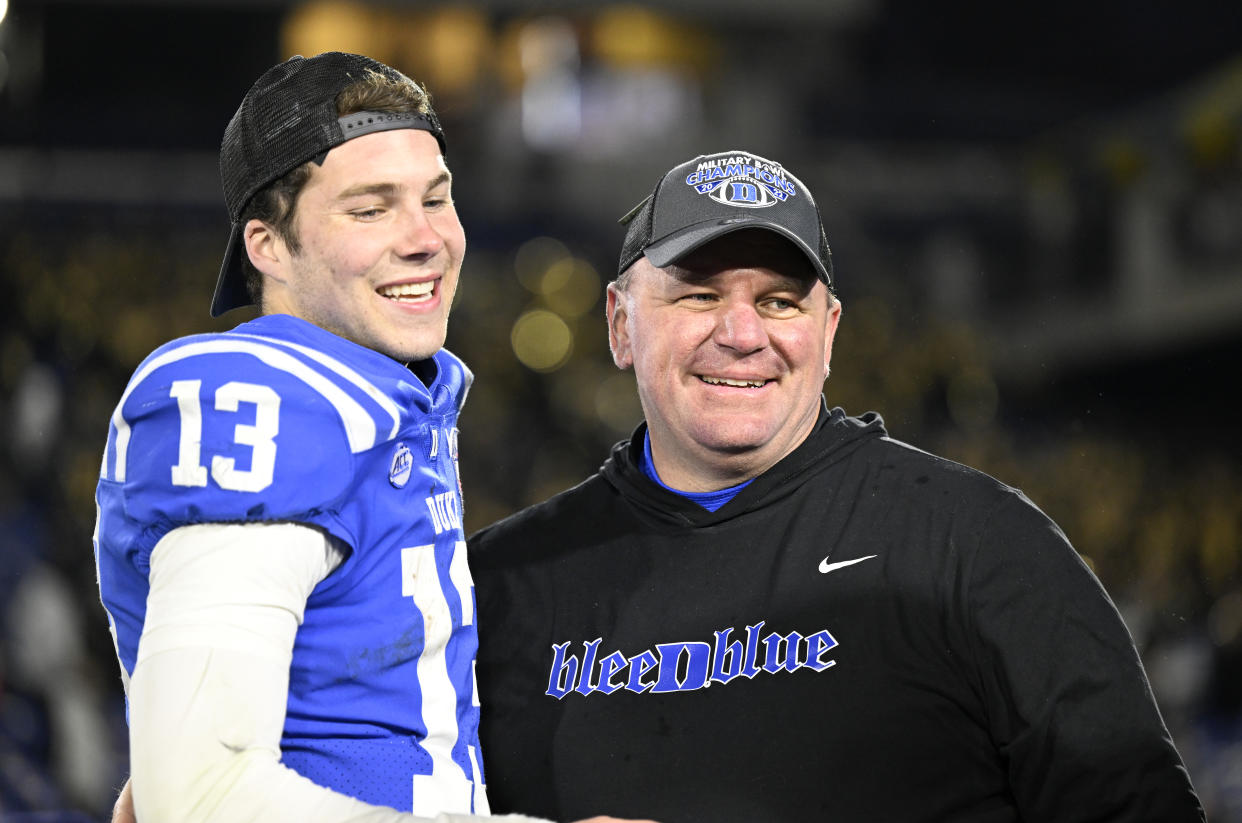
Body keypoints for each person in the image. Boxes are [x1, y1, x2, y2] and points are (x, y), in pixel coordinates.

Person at [469, 149, 1207, 822]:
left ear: (828, 333)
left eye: (780, 301)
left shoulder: (979, 547)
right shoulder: (494, 587)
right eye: (697, 294)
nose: (741, 332)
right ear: (620, 324)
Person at [94, 51, 644, 823]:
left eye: (436, 198)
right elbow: (200, 797)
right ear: (267, 245)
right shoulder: (261, 400)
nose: (426, 239)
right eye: (370, 207)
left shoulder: (391, 399)